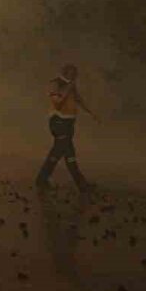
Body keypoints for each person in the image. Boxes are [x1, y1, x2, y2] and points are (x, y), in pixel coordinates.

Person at [36, 63, 98, 193]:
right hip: (59, 123)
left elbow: (79, 100)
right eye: (72, 73)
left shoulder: (70, 85)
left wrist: (92, 113)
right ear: (65, 72)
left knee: (61, 153)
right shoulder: (55, 83)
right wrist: (68, 88)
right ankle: (81, 185)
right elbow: (58, 103)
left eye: (75, 74)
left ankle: (42, 180)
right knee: (66, 153)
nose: (75, 76)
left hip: (68, 124)